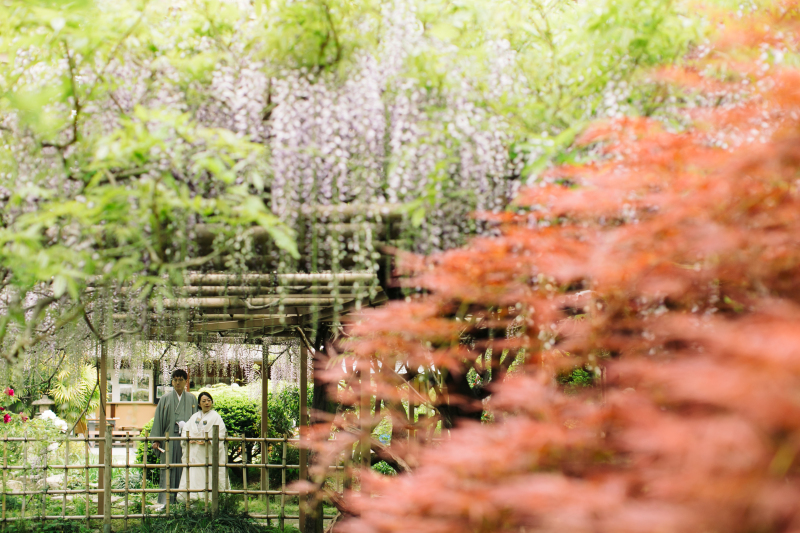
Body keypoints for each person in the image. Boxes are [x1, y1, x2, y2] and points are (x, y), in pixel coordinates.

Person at [150, 369, 198, 507]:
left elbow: (196, 420)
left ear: (186, 382)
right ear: (172, 382)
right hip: (169, 438)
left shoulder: (192, 399)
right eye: (175, 380)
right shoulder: (165, 399)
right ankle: (166, 502)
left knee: (186, 468)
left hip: (186, 439)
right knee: (168, 467)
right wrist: (156, 440)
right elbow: (158, 420)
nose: (178, 382)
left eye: (181, 380)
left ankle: (185, 500)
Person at [177, 391, 230, 501]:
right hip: (195, 452)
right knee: (194, 473)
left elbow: (221, 432)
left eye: (209, 400)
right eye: (204, 401)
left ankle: (210, 499)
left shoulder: (216, 417)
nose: (207, 403)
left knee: (208, 473)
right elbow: (186, 429)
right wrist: (189, 438)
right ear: (199, 404)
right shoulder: (194, 416)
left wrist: (208, 441)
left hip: (208, 452)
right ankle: (193, 498)